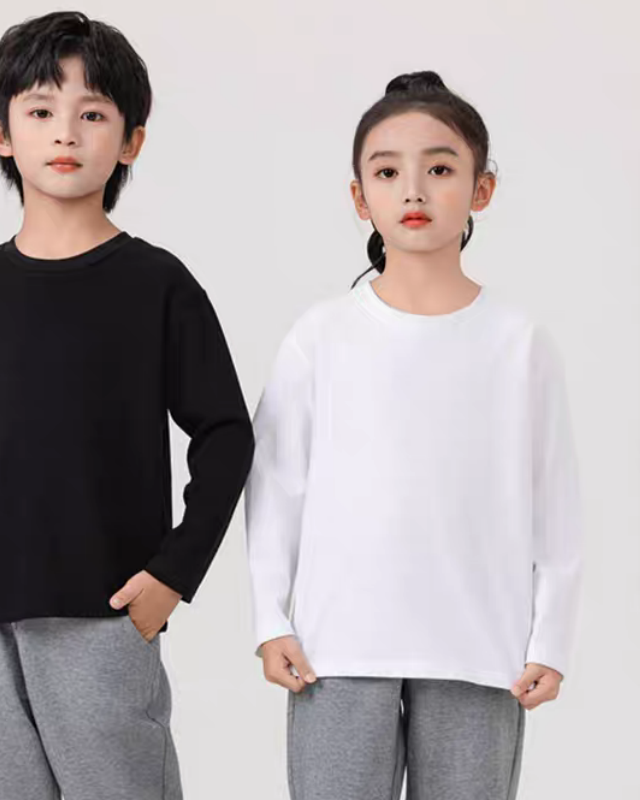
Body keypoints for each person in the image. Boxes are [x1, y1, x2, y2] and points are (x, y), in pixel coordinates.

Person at [0, 11, 254, 800]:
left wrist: (172, 575)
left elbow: (227, 433)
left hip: (104, 609)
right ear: (1, 132)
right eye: (40, 110)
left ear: (130, 141)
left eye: (92, 114)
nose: (65, 132)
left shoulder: (156, 284)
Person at [244, 70, 584, 799]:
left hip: (480, 648)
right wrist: (270, 619)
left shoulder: (519, 342)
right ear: (359, 196)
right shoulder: (321, 335)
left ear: (481, 190)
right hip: (336, 648)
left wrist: (551, 637)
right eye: (388, 172)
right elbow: (275, 486)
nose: (414, 191)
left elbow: (555, 502)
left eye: (440, 169)